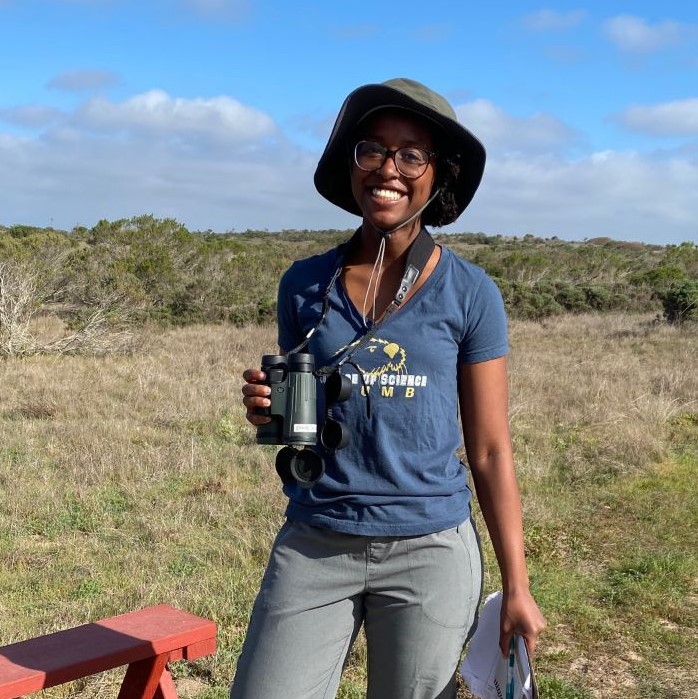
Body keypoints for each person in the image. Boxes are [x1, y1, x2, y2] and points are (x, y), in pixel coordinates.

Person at [233, 77, 546, 699]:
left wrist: (518, 585)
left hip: (429, 546)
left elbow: (489, 450)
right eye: (371, 150)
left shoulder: (470, 292)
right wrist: (271, 409)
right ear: (352, 165)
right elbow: (311, 412)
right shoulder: (304, 284)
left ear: (438, 174)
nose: (388, 170)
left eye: (411, 155)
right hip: (318, 535)